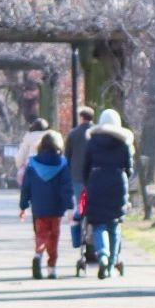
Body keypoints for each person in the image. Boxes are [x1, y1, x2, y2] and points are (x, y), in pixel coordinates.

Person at [83, 107, 135, 280]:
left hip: (96, 181)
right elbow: (129, 167)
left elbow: (85, 166)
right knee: (114, 225)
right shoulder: (124, 142)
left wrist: (87, 183)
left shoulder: (93, 141)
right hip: (117, 182)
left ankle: (102, 255)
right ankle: (111, 263)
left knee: (98, 224)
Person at [18, 129, 73, 279]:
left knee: (41, 234)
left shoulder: (32, 163)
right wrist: (69, 207)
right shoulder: (62, 164)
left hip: (38, 207)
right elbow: (66, 188)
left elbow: (26, 187)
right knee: (53, 237)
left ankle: (38, 254)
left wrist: (23, 206)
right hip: (56, 208)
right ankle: (51, 268)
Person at [63, 105, 95, 261]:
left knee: (81, 208)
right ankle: (92, 238)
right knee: (93, 208)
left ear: (81, 117)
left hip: (77, 177)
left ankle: (81, 237)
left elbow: (67, 156)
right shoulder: (96, 133)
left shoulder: (73, 134)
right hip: (94, 178)